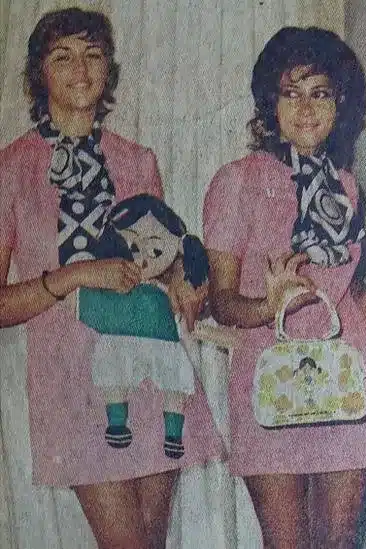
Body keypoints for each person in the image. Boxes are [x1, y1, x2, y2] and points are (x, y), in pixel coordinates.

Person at [0, 7, 222, 548]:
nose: (80, 69)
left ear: (109, 68)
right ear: (39, 73)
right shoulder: (11, 168)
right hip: (70, 381)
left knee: (151, 541)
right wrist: (76, 275)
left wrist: (184, 282)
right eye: (63, 57)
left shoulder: (136, 160)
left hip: (151, 362)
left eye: (93, 54)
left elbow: (161, 262)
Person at [203, 26, 366, 549]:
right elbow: (222, 303)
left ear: (340, 104)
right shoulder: (236, 181)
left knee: (338, 540)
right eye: (291, 93)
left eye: (320, 93)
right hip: (271, 373)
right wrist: (269, 305)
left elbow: (337, 279)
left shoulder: (346, 186)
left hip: (343, 365)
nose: (306, 108)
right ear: (270, 104)